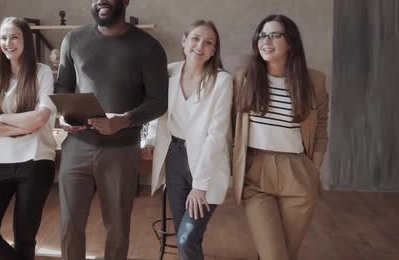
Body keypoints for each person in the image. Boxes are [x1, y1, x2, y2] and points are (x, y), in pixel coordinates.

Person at [54, 0, 168, 260]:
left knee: (117, 226)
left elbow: (158, 102)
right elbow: (62, 87)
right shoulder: (74, 39)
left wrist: (124, 121)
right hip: (76, 145)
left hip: (121, 149)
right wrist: (61, 115)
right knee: (70, 224)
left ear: (126, 0)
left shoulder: (148, 47)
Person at [233, 14, 329, 260]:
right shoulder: (244, 78)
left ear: (290, 43)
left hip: (297, 172)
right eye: (262, 35)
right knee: (274, 255)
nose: (267, 40)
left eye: (275, 35)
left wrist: (313, 170)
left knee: (287, 253)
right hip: (256, 172)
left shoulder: (313, 81)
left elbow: (320, 130)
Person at [141, 20, 233, 260]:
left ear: (214, 50)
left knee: (187, 237)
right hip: (174, 157)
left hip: (207, 162)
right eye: (195, 38)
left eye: (208, 42)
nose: (200, 45)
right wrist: (149, 141)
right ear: (184, 41)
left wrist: (200, 185)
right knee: (188, 235)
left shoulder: (222, 81)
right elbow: (157, 111)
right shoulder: (169, 71)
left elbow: (217, 135)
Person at [0, 17, 57, 260]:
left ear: (26, 40)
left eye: (14, 37)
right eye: (3, 38)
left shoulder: (42, 73)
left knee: (25, 237)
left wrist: (1, 118)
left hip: (36, 160)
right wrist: (22, 126)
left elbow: (40, 119)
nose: (8, 43)